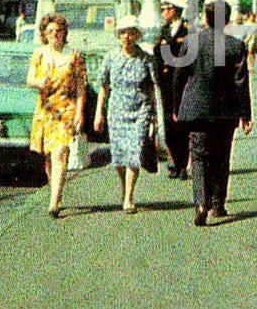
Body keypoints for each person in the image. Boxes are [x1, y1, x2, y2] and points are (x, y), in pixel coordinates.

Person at [177, 0, 252, 225]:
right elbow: (241, 82)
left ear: (205, 18)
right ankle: (218, 203)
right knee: (222, 155)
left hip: (198, 109)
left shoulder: (191, 43)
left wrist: (175, 106)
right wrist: (245, 114)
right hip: (225, 111)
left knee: (199, 156)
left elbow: (179, 77)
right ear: (227, 20)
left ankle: (200, 202)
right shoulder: (235, 46)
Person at [94, 15, 159, 214]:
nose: (127, 37)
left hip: (140, 109)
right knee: (119, 157)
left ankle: (129, 197)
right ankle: (124, 188)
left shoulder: (146, 59)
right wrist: (99, 113)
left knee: (134, 152)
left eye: (131, 33)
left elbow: (151, 88)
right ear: (119, 36)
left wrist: (155, 115)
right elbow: (104, 87)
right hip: (117, 110)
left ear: (137, 35)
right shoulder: (111, 57)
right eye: (123, 33)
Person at [26, 13, 87, 218]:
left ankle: (53, 202)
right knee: (48, 157)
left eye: (58, 31)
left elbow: (80, 87)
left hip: (66, 110)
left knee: (60, 152)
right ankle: (57, 190)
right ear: (44, 34)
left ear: (64, 33)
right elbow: (30, 79)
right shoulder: (39, 54)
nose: (55, 35)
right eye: (50, 31)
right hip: (45, 111)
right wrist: (38, 83)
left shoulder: (74, 55)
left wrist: (80, 112)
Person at [154, 0, 193, 179]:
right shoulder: (163, 30)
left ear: (174, 10)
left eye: (164, 10)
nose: (162, 13)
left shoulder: (187, 31)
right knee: (169, 125)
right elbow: (157, 54)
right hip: (166, 84)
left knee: (182, 124)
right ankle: (175, 160)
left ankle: (183, 164)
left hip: (183, 83)